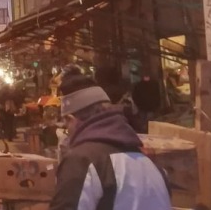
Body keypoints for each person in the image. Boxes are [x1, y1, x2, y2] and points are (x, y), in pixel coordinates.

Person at [50, 74, 171, 210]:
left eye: (66, 125)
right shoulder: (151, 165)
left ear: (71, 119)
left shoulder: (82, 161)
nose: (68, 132)